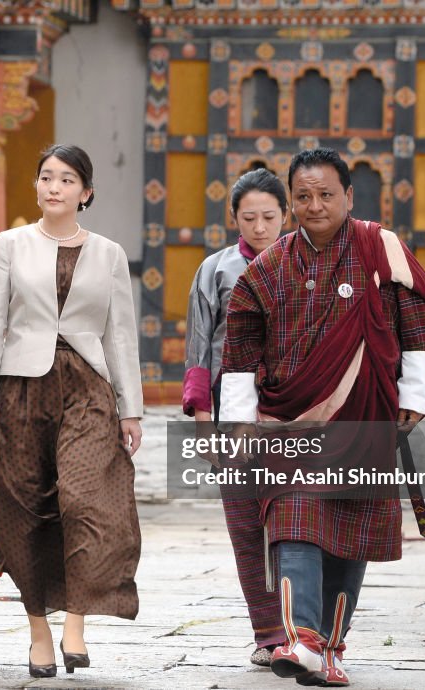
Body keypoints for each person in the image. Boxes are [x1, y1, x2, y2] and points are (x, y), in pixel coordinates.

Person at [219, 148, 425, 686]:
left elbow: (417, 321)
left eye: (325, 194)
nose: (314, 205)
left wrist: (415, 394)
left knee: (351, 529)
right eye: (302, 196)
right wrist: (239, 422)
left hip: (367, 415)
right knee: (293, 519)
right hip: (290, 425)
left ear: (348, 196)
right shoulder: (268, 268)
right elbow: (241, 348)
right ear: (291, 200)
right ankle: (303, 641)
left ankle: (332, 646)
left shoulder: (379, 247)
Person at [0, 144, 143, 678]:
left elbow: (120, 335)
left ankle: (76, 620)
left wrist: (129, 408)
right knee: (25, 510)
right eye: (46, 177)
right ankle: (38, 632)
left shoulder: (110, 254)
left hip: (87, 386)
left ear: (86, 192)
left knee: (86, 500)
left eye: (67, 180)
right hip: (21, 386)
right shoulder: (9, 245)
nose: (54, 187)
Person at [182, 168, 287, 666]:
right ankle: (268, 633)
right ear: (234, 219)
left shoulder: (303, 264)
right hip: (231, 409)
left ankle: (304, 629)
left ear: (285, 216)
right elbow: (200, 344)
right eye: (250, 217)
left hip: (293, 410)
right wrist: (202, 414)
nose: (261, 227)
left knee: (295, 519)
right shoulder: (216, 270)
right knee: (246, 522)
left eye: (269, 216)